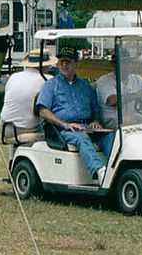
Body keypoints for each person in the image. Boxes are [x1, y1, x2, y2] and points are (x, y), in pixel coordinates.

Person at [36, 47, 114, 183]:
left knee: (110, 137)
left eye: (68, 61)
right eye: (61, 61)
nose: (64, 65)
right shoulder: (50, 85)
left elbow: (95, 110)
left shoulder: (85, 86)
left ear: (76, 64)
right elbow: (43, 111)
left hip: (86, 126)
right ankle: (99, 171)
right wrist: (65, 124)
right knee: (81, 137)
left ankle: (115, 169)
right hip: (62, 129)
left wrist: (94, 121)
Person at [0, 51, 50, 142]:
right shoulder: (47, 79)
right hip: (28, 129)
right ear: (44, 65)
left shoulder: (14, 77)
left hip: (5, 127)